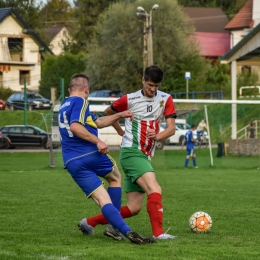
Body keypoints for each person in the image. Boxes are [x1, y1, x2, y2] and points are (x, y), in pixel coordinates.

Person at [78, 65, 178, 240]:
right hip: (132, 152)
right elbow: (108, 112)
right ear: (143, 80)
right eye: (150, 86)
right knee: (155, 188)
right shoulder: (129, 99)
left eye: (156, 86)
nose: (153, 89)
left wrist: (158, 136)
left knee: (134, 208)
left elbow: (171, 129)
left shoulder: (166, 99)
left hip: (144, 155)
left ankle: (89, 222)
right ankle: (159, 234)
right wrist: (119, 130)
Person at [59, 73, 155, 245]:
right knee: (116, 177)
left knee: (103, 200)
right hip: (89, 154)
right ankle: (113, 227)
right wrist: (97, 141)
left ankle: (126, 231)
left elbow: (99, 122)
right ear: (86, 89)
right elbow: (75, 126)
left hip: (72, 162)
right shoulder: (81, 101)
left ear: (69, 89)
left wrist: (120, 115)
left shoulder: (64, 105)